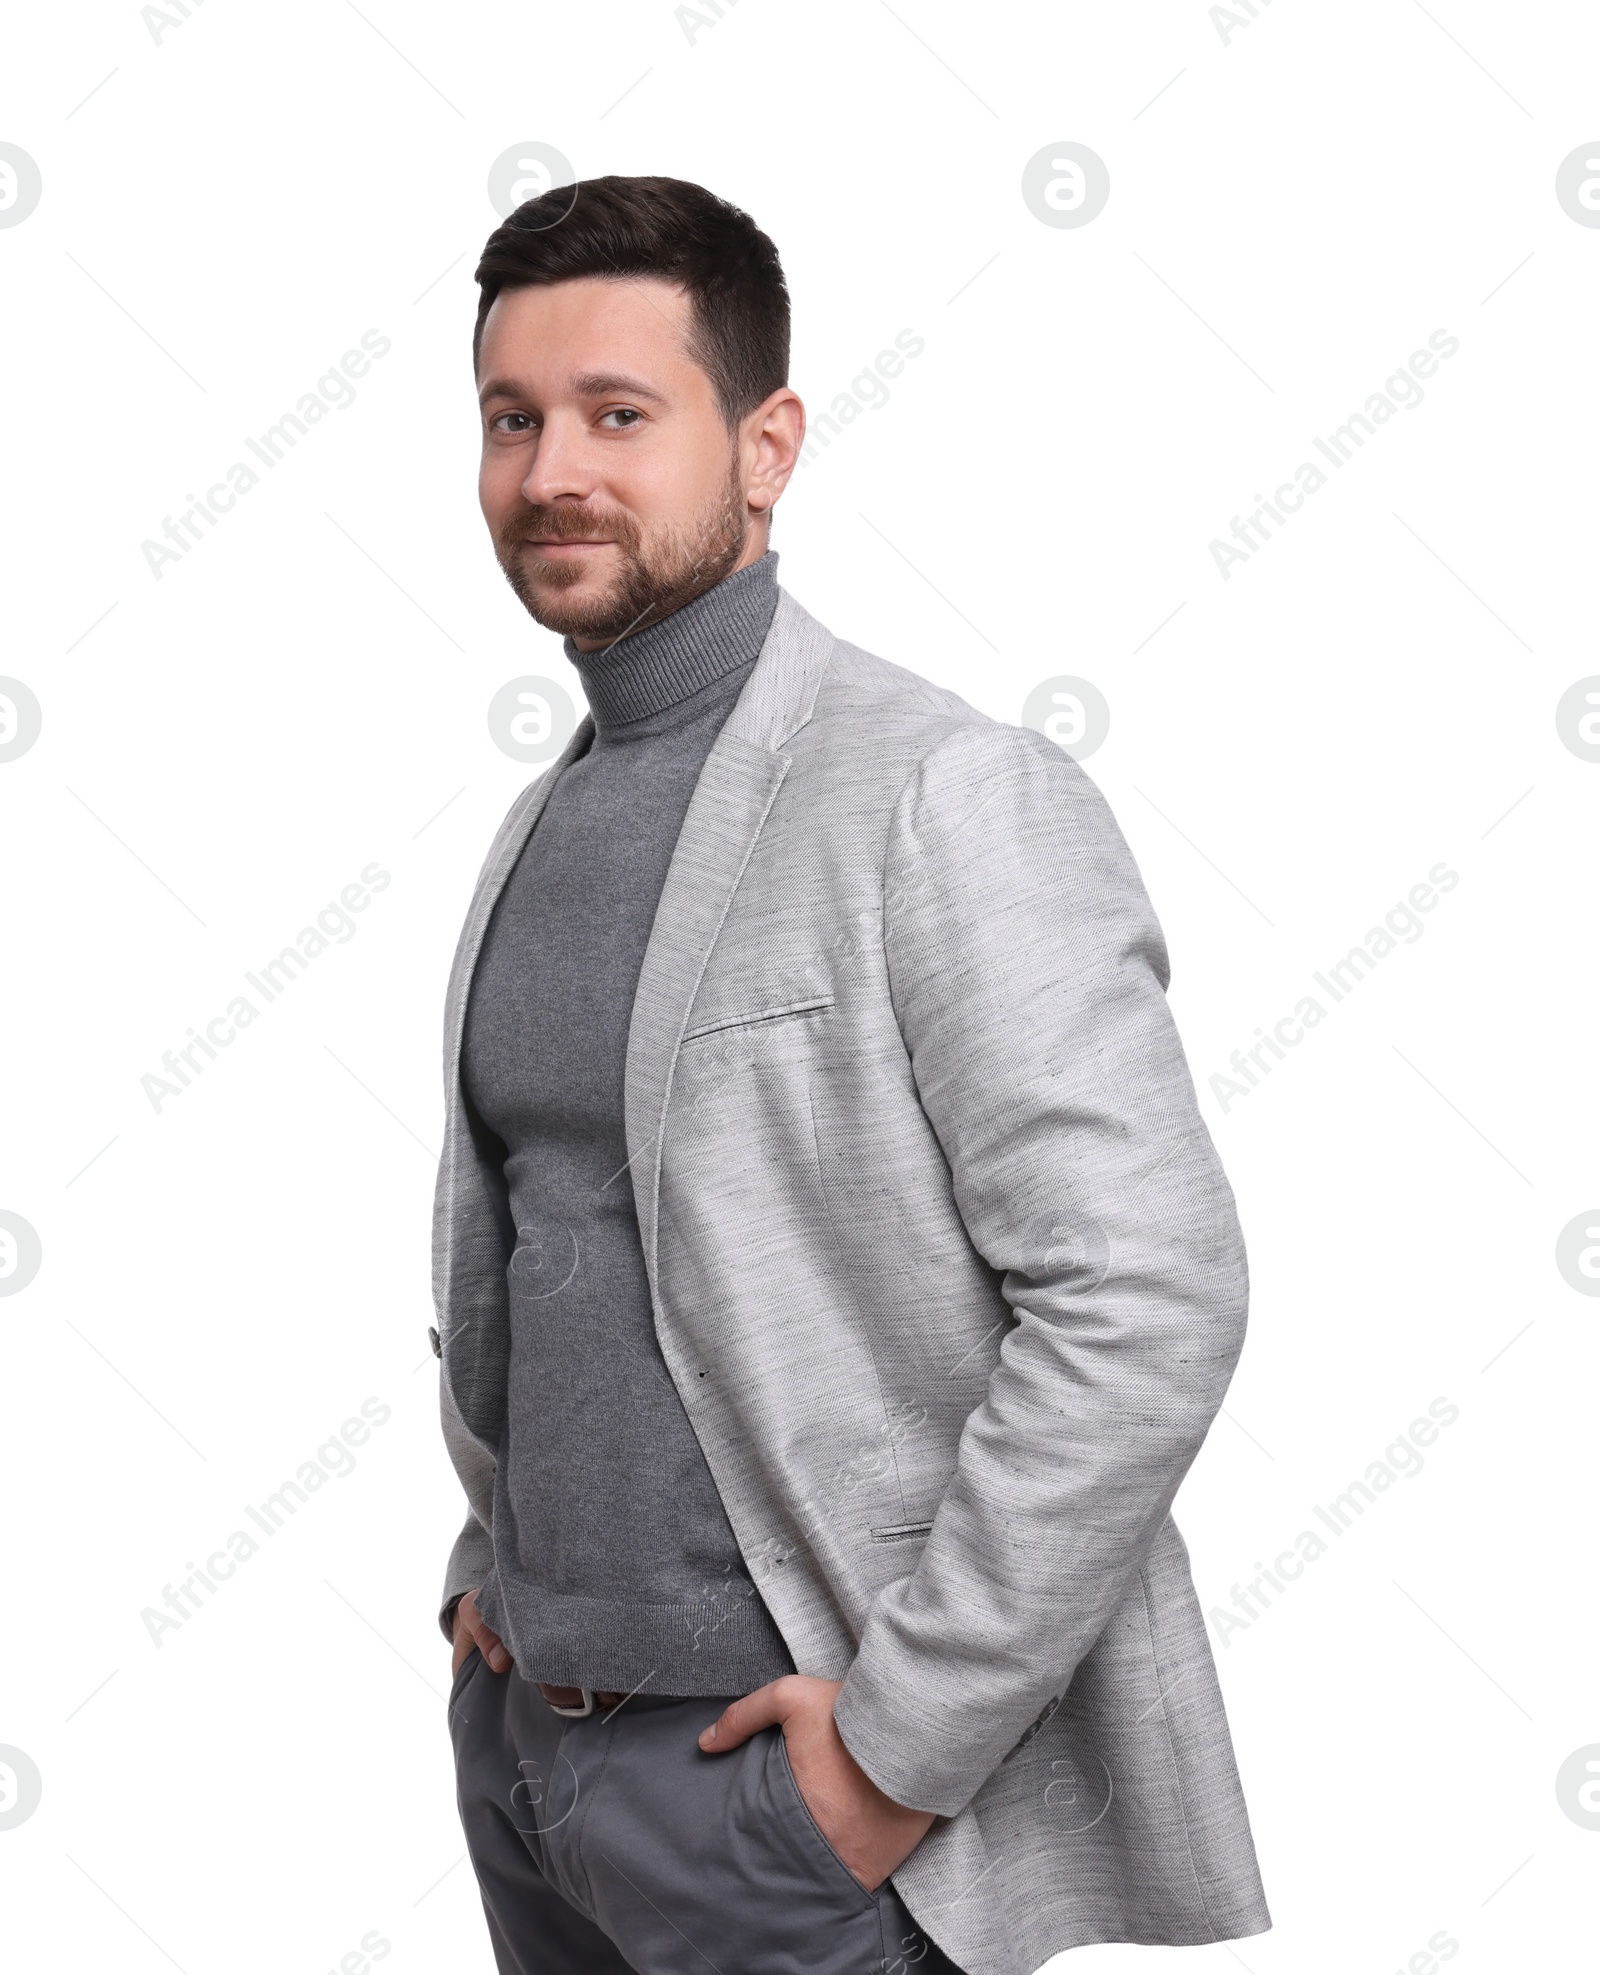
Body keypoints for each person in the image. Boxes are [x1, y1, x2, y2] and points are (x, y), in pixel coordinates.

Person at [431, 173, 1271, 1975]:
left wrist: (898, 1750)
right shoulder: (537, 823)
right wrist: (489, 1574)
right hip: (527, 1760)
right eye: (514, 419)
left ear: (768, 444)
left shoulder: (941, 798)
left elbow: (1147, 1295)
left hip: (785, 1796)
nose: (552, 469)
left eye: (619, 415)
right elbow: (547, 1248)